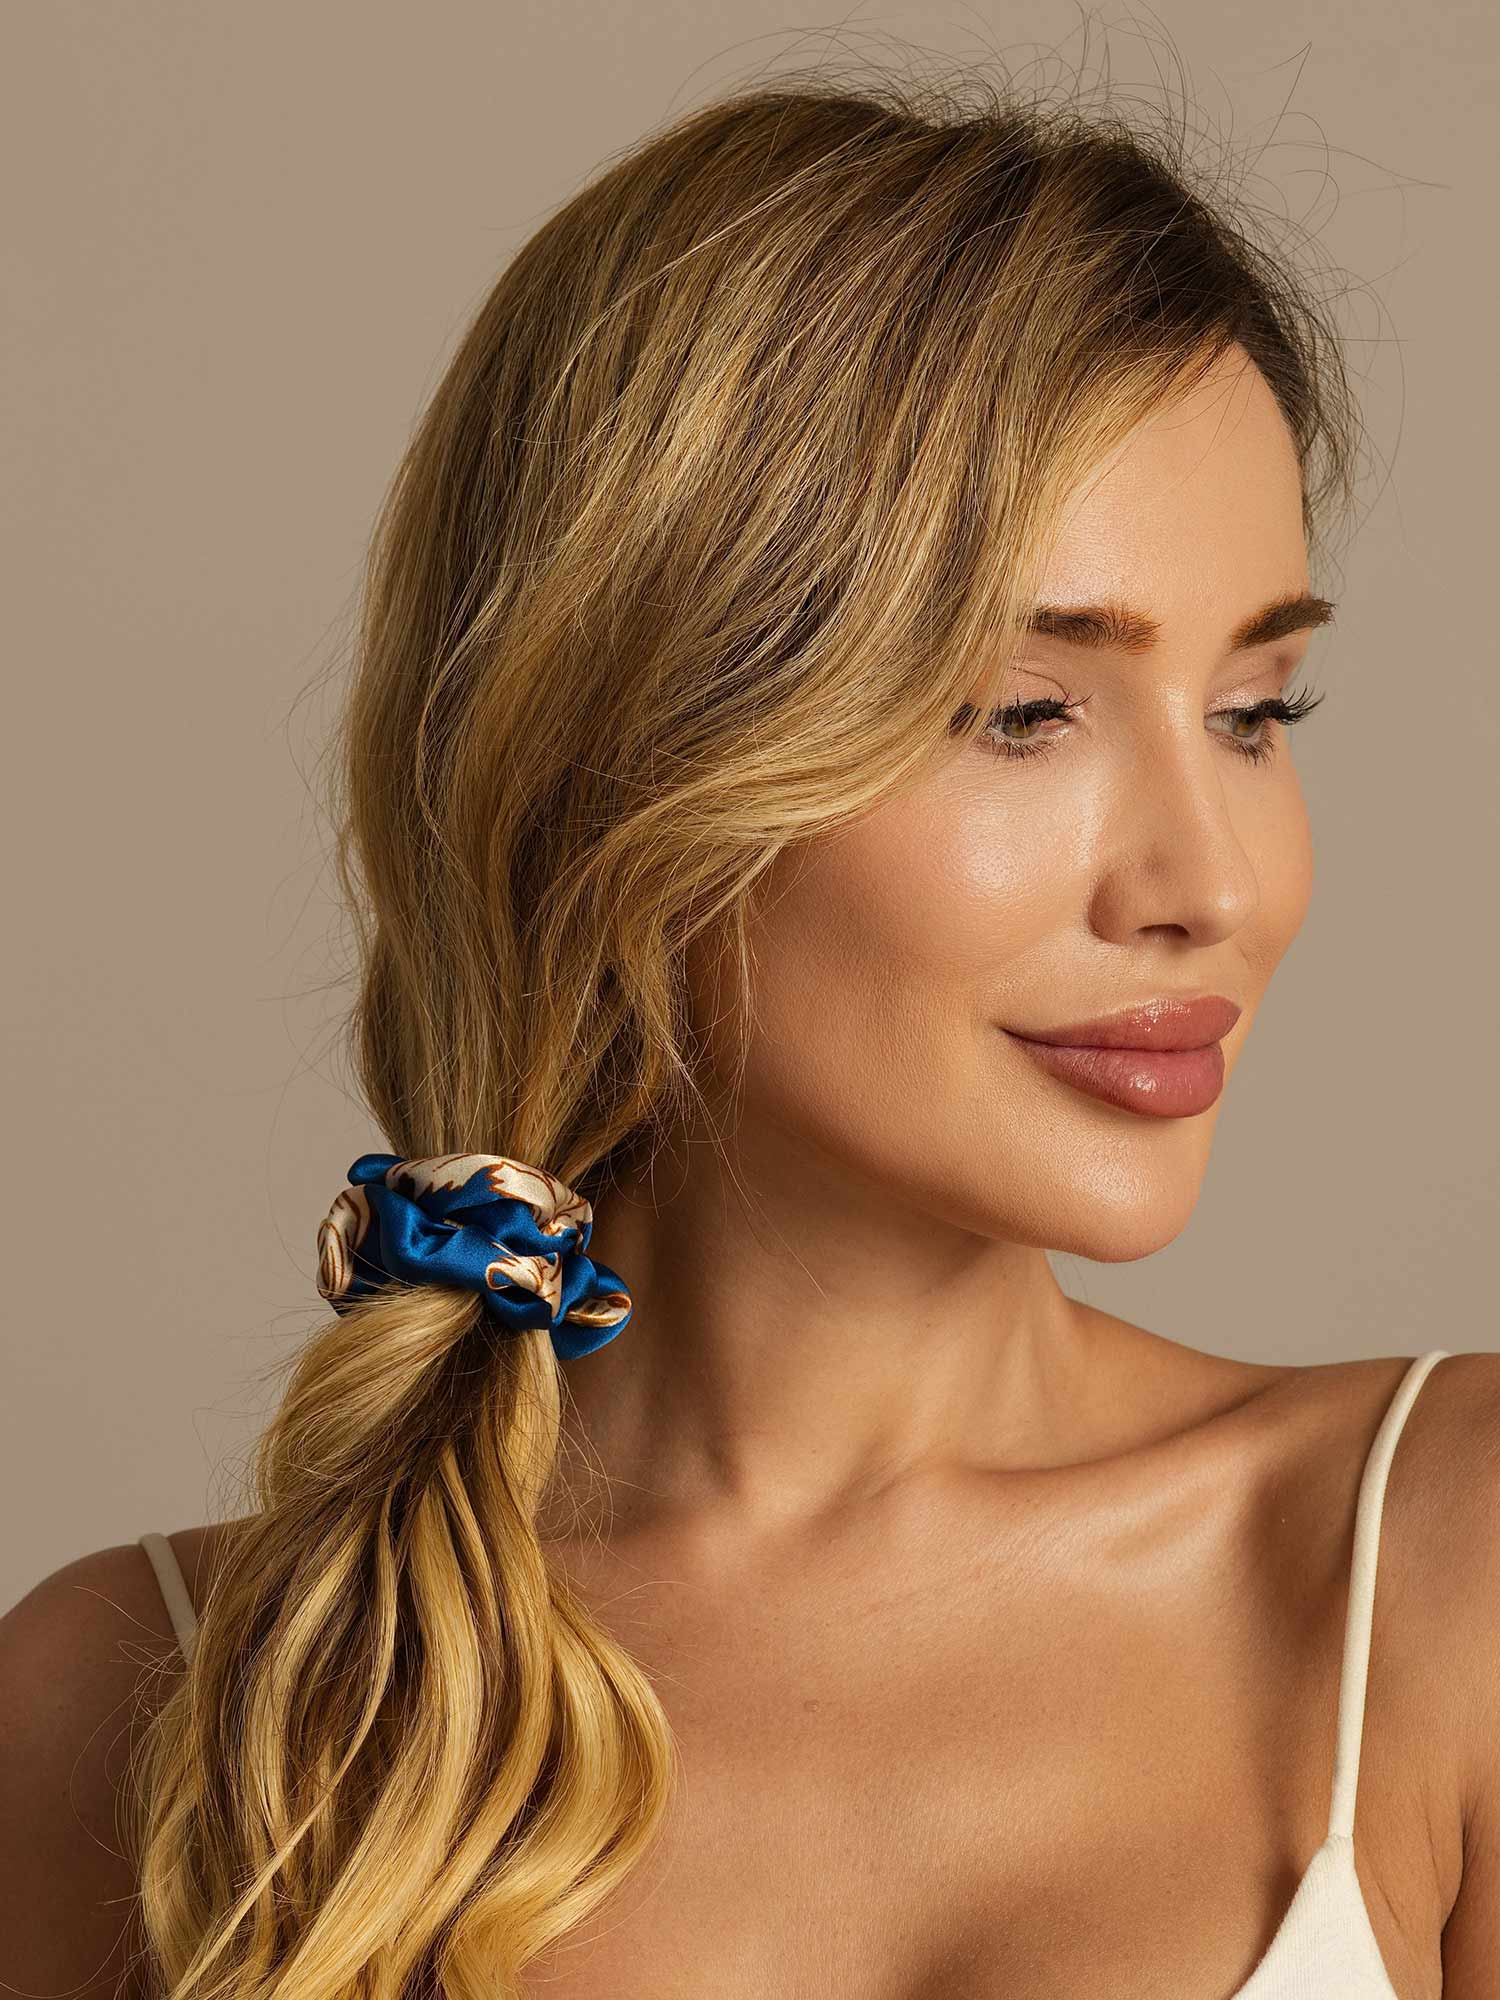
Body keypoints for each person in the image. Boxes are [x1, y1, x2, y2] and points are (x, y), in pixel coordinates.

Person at [4, 67, 1495, 2000]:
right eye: (1024, 713)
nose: (1208, 885)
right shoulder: (127, 1703)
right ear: (631, 760)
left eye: (1254, 713)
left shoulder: (1442, 1564)